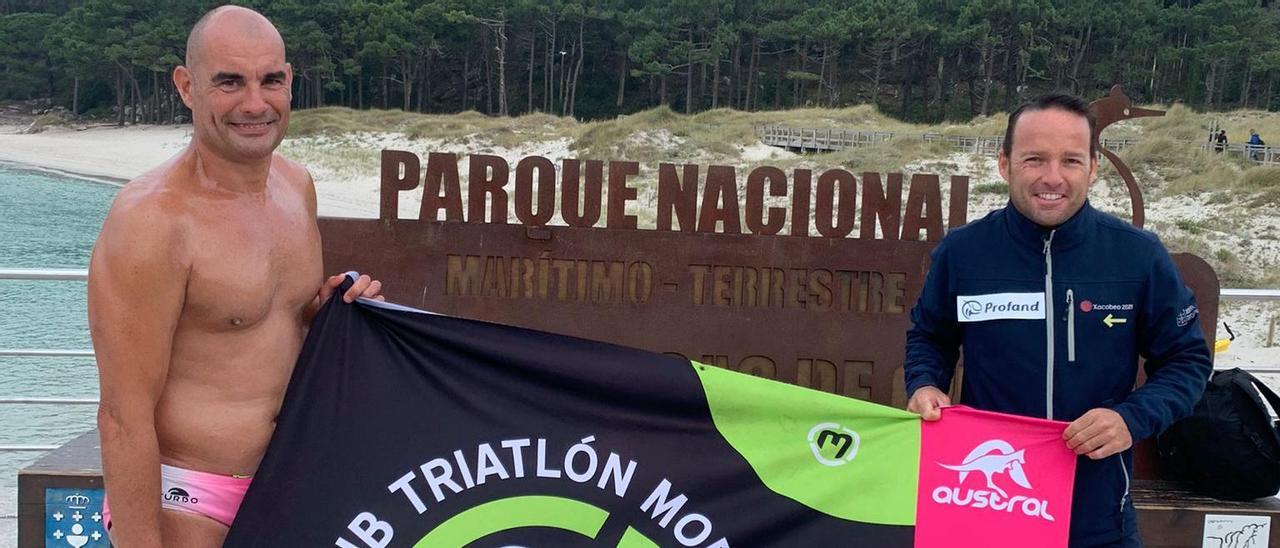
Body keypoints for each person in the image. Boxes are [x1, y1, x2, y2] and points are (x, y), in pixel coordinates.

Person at [87, 6, 383, 547]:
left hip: (292, 479)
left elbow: (270, 328)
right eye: (229, 82)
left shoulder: (297, 188)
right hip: (188, 497)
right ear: (186, 86)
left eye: (270, 80)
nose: (255, 103)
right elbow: (122, 417)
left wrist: (327, 312)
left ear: (289, 81)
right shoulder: (153, 222)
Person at [903, 93, 1212, 548]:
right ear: (1005, 164)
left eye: (1070, 160)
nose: (1052, 177)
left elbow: (1187, 361)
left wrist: (1132, 418)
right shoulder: (963, 253)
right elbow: (930, 336)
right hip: (988, 506)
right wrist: (925, 383)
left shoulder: (1137, 256)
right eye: (1034, 159)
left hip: (1098, 513)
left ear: (1092, 167)